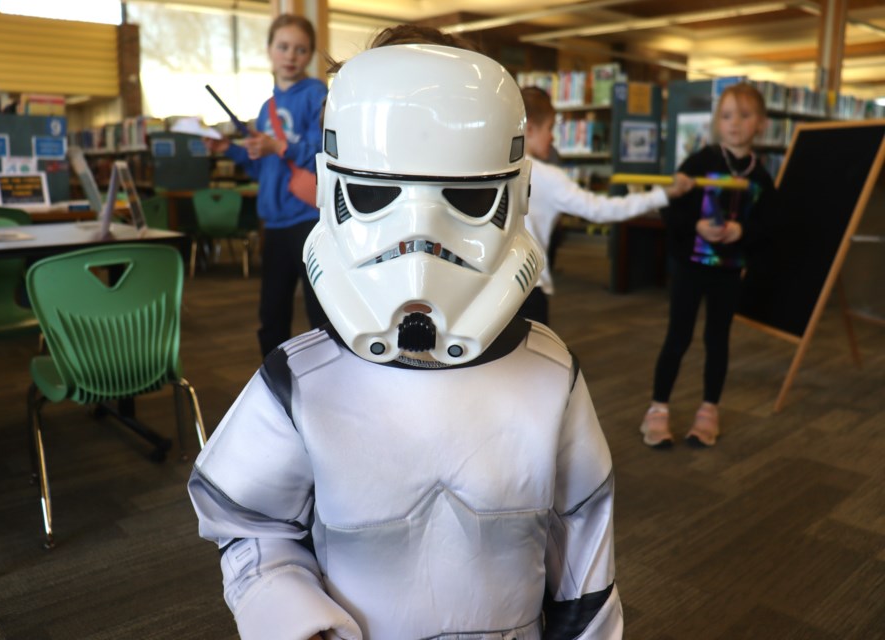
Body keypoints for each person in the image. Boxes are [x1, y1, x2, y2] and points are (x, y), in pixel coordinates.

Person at [189, 40, 623, 639]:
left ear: (517, 191)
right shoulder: (302, 382)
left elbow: (584, 564)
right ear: (330, 185)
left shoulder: (551, 377)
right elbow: (249, 523)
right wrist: (293, 617)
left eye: (467, 201)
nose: (419, 244)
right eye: (375, 196)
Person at [639, 82, 776, 449]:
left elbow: (769, 225)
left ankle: (708, 410)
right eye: (727, 115)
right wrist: (695, 225)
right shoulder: (700, 161)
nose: (734, 123)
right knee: (678, 337)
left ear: (761, 123)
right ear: (718, 121)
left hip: (729, 271)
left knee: (718, 340)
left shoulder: (761, 178)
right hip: (690, 267)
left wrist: (742, 231)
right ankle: (657, 409)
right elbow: (671, 206)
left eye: (745, 116)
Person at [206, 14, 328, 357]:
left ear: (310, 55)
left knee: (321, 313)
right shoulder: (266, 108)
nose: (291, 56)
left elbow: (324, 155)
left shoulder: (317, 95)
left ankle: (331, 390)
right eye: (283, 47)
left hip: (308, 220)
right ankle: (275, 388)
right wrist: (227, 150)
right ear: (269, 50)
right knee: (271, 314)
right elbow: (264, 171)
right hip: (273, 223)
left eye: (301, 49)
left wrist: (279, 146)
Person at [519, 86, 694, 325]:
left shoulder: (489, 170)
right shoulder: (547, 177)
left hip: (492, 292)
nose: (552, 137)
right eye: (550, 128)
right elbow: (600, 210)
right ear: (529, 129)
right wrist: (663, 195)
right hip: (529, 290)